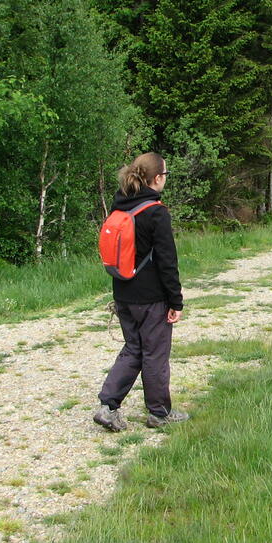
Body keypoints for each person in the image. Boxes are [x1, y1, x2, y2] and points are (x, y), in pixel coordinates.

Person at [93, 152, 189, 431]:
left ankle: (108, 406)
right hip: (152, 299)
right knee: (155, 353)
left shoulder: (119, 206)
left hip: (123, 294)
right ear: (157, 178)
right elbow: (167, 263)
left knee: (133, 348)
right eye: (166, 175)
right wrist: (176, 301)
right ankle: (159, 413)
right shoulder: (155, 212)